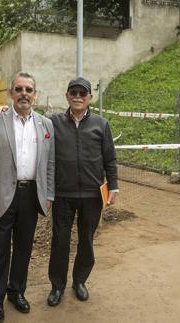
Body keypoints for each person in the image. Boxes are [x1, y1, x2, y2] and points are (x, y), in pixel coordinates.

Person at [0, 72, 55, 322]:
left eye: (29, 90)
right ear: (11, 94)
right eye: (19, 89)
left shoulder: (45, 125)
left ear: (35, 95)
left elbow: (49, 164)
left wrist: (49, 194)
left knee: (23, 248)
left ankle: (16, 291)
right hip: (1, 195)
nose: (24, 94)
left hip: (31, 195)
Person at [46, 77, 119, 307]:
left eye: (82, 93)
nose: (78, 97)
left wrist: (113, 186)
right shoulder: (53, 122)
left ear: (89, 98)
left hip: (91, 195)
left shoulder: (101, 124)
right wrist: (4, 111)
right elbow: (27, 121)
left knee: (86, 241)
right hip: (63, 194)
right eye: (73, 92)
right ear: (67, 96)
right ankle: (57, 286)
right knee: (60, 241)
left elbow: (110, 158)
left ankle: (79, 281)